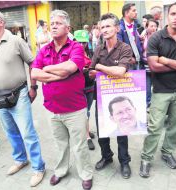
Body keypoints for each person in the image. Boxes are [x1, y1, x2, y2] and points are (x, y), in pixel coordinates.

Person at [0, 9, 45, 187]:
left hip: (19, 94)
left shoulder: (15, 41)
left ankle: (38, 168)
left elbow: (33, 64)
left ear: (1, 22)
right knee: (11, 133)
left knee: (27, 133)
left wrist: (33, 87)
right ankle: (21, 159)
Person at [31, 10, 93, 190]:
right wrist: (60, 74)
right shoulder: (44, 49)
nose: (54, 26)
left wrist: (47, 69)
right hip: (52, 109)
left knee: (80, 146)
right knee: (60, 145)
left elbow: (72, 66)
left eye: (58, 23)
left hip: (75, 109)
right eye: (52, 24)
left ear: (68, 28)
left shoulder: (76, 47)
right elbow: (34, 73)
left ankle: (85, 174)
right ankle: (60, 171)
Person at [139, 2, 176, 178]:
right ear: (167, 16)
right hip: (161, 90)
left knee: (175, 126)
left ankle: (167, 152)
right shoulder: (157, 37)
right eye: (173, 14)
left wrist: (166, 60)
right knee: (155, 127)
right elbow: (154, 67)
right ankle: (146, 158)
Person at [89, 13, 134, 179]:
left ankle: (124, 162)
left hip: (120, 96)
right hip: (101, 96)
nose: (104, 30)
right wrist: (93, 73)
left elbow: (121, 71)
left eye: (108, 26)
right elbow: (91, 72)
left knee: (121, 131)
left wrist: (100, 67)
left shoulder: (125, 48)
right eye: (102, 27)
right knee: (102, 131)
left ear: (117, 28)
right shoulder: (98, 49)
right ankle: (106, 157)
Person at [74, 29, 95, 151]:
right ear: (75, 41)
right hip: (79, 89)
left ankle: (86, 130)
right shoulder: (72, 54)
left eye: (84, 42)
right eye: (79, 42)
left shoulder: (90, 53)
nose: (82, 45)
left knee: (88, 111)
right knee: (84, 112)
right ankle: (87, 136)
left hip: (90, 87)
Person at [117, 3, 143, 70]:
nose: (136, 12)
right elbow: (119, 45)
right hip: (127, 63)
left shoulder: (138, 25)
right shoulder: (119, 27)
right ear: (126, 13)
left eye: (136, 10)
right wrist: (129, 57)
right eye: (134, 10)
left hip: (139, 61)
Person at [141, 19, 159, 108]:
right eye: (151, 26)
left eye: (155, 26)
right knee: (147, 87)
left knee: (156, 87)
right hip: (145, 65)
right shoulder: (142, 37)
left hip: (155, 65)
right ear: (146, 27)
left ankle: (156, 105)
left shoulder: (159, 37)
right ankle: (148, 104)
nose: (153, 28)